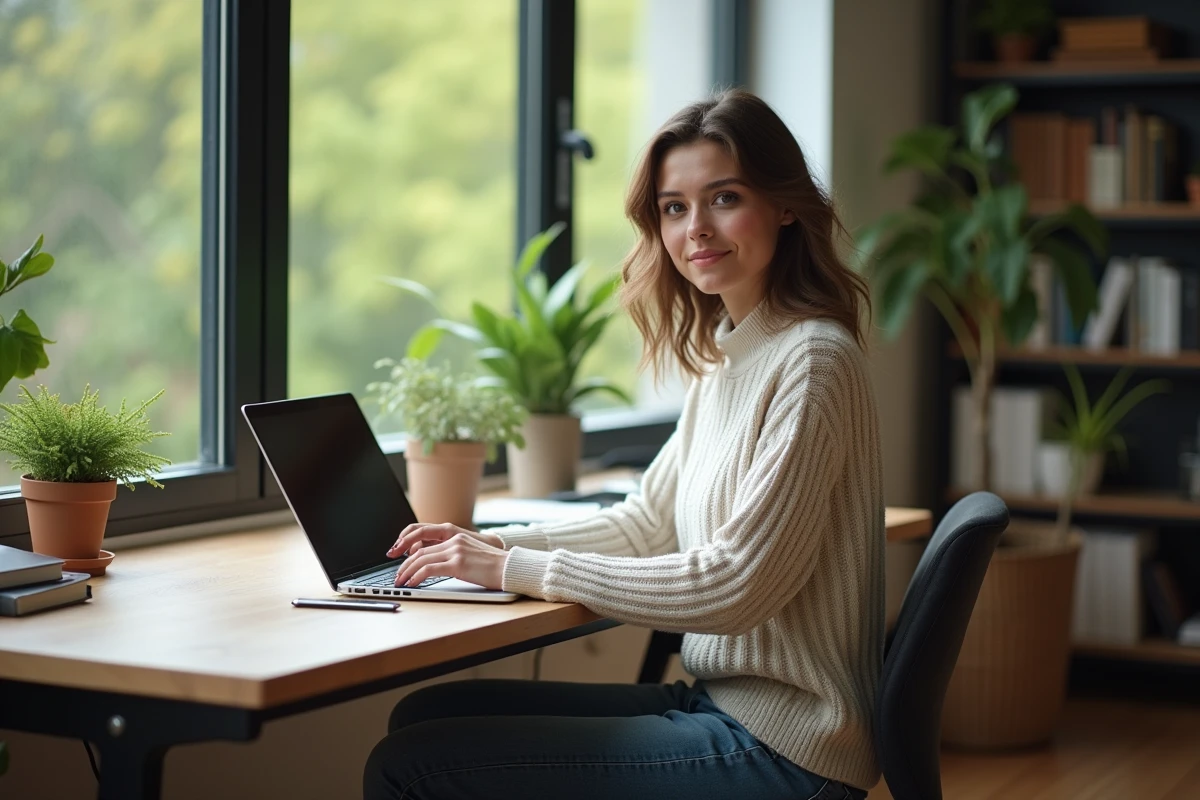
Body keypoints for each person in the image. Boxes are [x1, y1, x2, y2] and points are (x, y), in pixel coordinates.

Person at [363, 88, 883, 800]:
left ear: (785, 205)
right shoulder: (730, 356)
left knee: (410, 765)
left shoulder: (813, 359)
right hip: (725, 705)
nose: (696, 229)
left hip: (790, 748)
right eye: (674, 207)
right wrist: (483, 545)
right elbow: (646, 526)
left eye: (724, 198)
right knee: (425, 715)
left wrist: (513, 567)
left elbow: (736, 585)